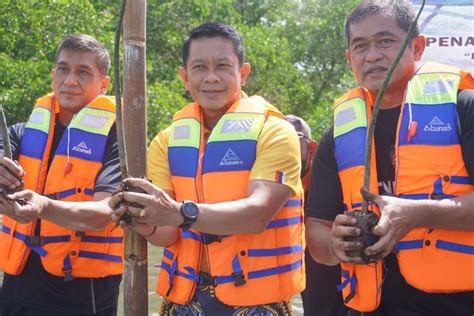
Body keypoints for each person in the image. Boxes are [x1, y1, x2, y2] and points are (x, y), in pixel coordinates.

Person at [109, 22, 304, 315]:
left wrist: (178, 213)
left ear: (244, 73)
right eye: (199, 67)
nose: (211, 77)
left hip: (257, 304)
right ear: (185, 78)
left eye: (223, 66)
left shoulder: (275, 131)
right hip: (185, 302)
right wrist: (140, 218)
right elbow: (166, 234)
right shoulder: (166, 141)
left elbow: (258, 214)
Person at [305, 0, 474, 315]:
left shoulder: (463, 108)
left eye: (385, 41)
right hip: (369, 306)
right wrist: (334, 243)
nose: (372, 55)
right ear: (349, 58)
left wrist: (418, 214)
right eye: (360, 46)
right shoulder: (338, 134)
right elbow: (316, 227)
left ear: (418, 46)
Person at [0, 34, 123, 315]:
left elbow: (105, 213)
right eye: (63, 69)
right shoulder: (19, 133)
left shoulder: (119, 141)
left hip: (83, 293)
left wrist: (43, 207)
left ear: (104, 84)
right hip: (17, 286)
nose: (70, 80)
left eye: (83, 72)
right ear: (53, 74)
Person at [285, 114, 350, 316]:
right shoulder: (271, 196)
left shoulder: (335, 188)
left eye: (287, 146)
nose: (278, 154)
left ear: (311, 149)